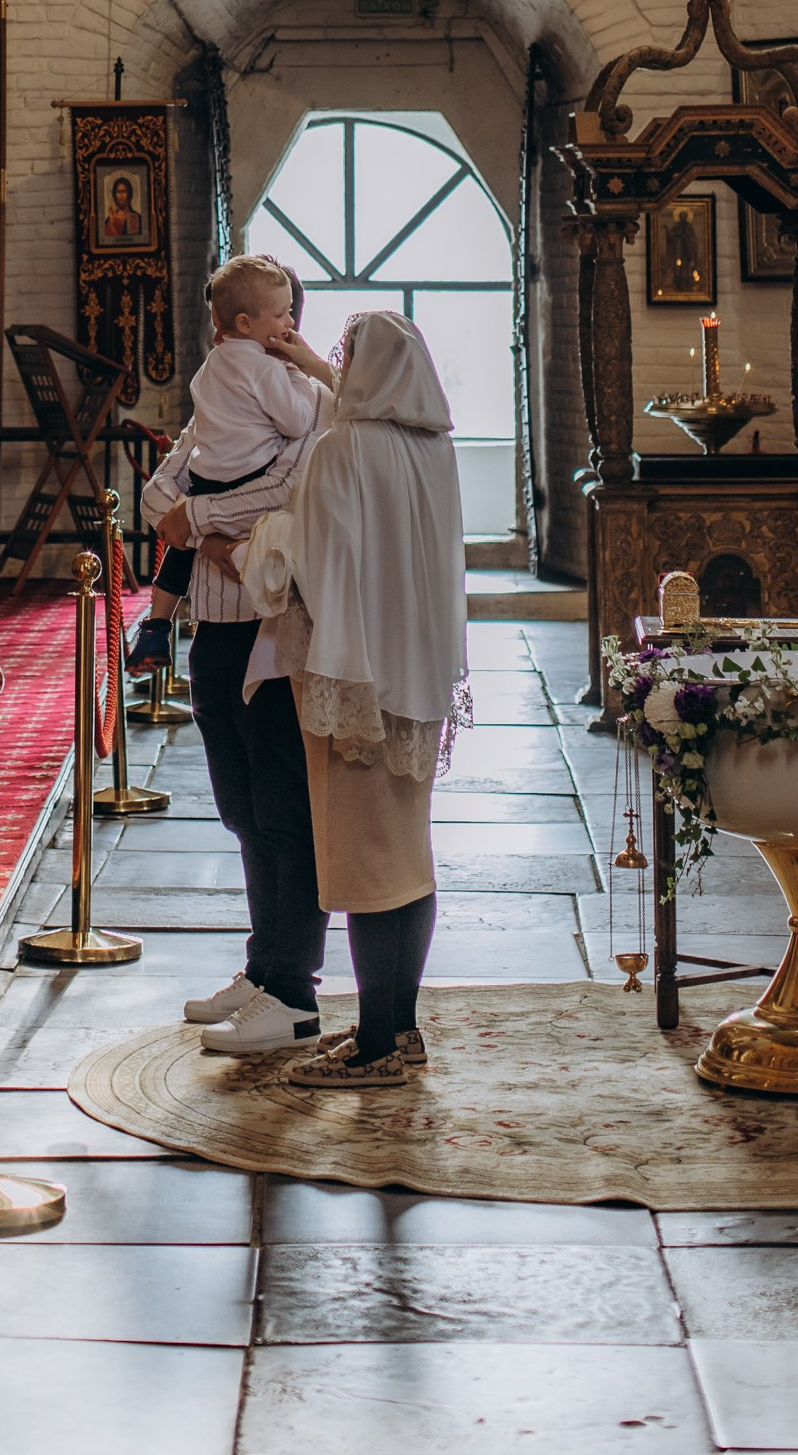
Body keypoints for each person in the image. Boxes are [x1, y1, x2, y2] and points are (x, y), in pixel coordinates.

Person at [239, 307, 469, 1088]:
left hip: (353, 678)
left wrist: (266, 538)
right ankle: (398, 1030)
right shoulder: (436, 451)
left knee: (369, 867)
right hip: (419, 677)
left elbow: (313, 566)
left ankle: (377, 1046)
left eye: (343, 355)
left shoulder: (340, 452)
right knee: (407, 859)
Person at [137, 254, 330, 1057]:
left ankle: (296, 990)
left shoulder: (312, 405)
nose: (283, 325)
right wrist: (207, 528)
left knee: (286, 811)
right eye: (273, 314)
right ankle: (262, 967)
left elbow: (286, 490)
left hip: (272, 631)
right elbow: (156, 492)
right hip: (214, 633)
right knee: (240, 810)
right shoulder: (223, 388)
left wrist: (200, 522)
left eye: (292, 315)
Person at [129, 263, 306, 663]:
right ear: (247, 323)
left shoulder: (211, 366)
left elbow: (174, 509)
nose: (289, 321)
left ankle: (156, 625)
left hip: (203, 479)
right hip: (248, 483)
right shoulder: (269, 370)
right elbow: (294, 423)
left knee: (179, 548)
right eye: (282, 313)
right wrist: (293, 373)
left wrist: (194, 529)